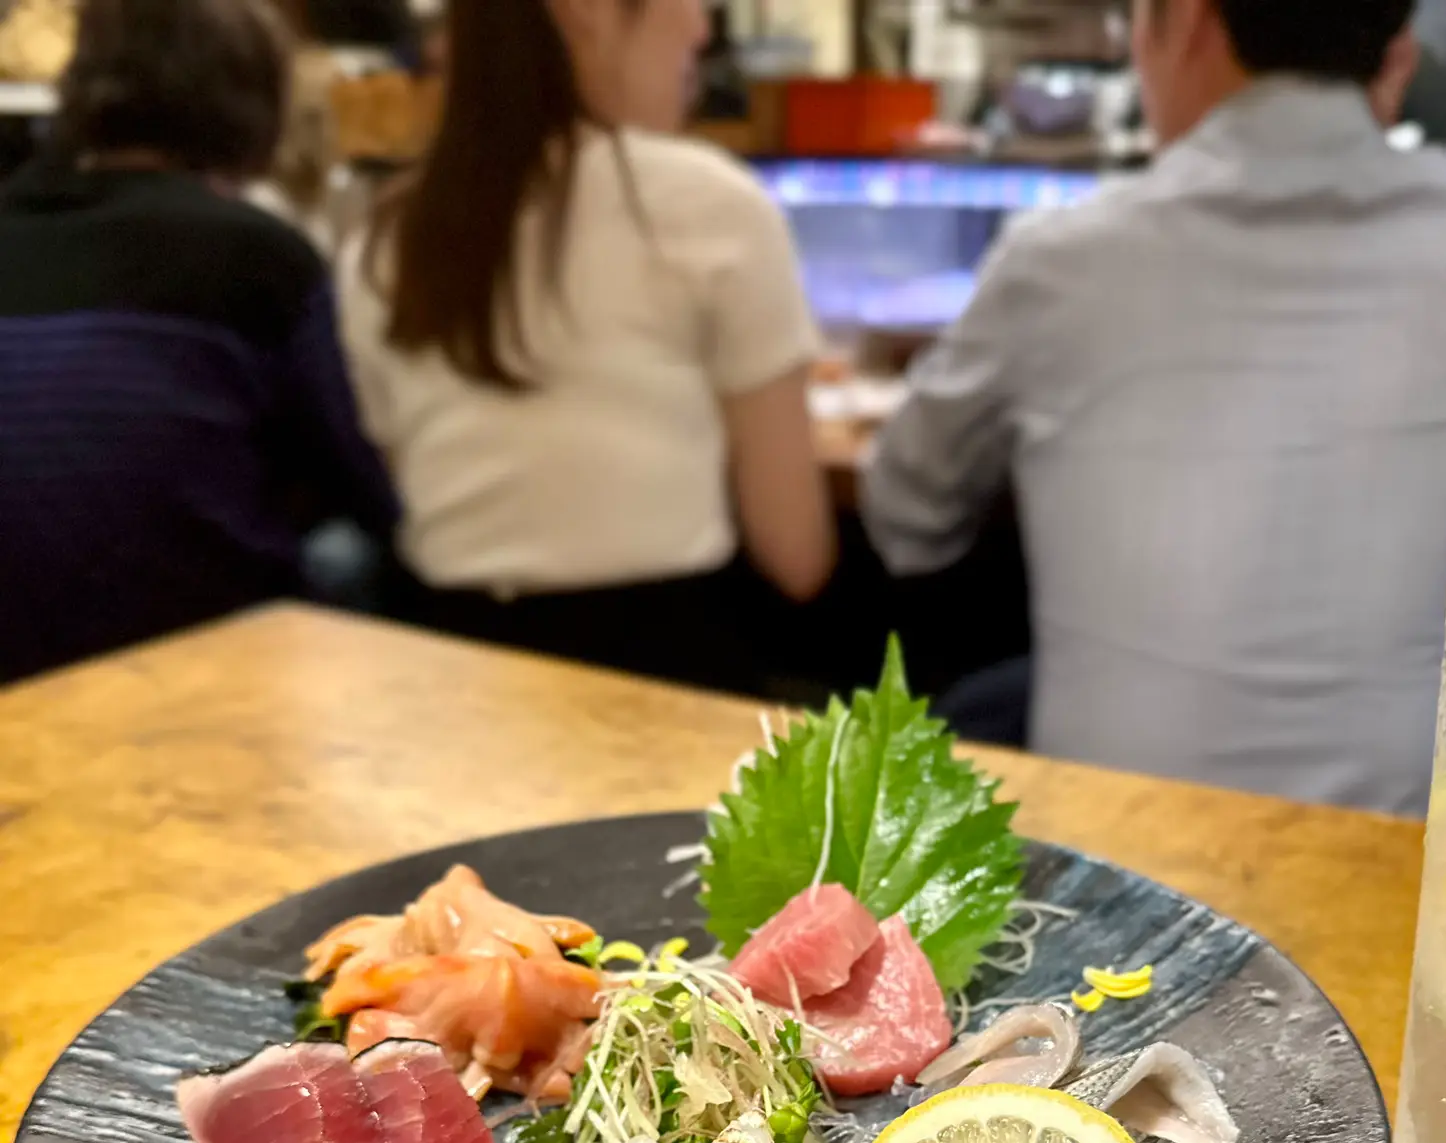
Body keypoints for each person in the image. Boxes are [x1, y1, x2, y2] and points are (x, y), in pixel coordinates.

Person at [862, 0, 1446, 812]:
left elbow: (904, 518)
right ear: (1390, 54)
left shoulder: (1063, 259)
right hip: (1402, 842)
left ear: (1182, 19)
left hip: (1123, 860)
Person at [335, 0, 834, 694]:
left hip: (445, 678)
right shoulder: (712, 203)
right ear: (586, 12)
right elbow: (795, 555)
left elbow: (406, 479)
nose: (700, 27)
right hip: (661, 676)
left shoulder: (384, 239)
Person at [0, 0, 397, 686]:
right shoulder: (258, 256)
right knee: (363, 554)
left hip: (16, 664)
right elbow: (360, 482)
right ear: (250, 106)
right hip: (192, 659)